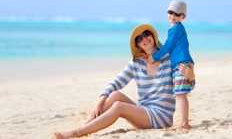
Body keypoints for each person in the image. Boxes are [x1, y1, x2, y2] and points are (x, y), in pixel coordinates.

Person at [53, 24, 194, 139]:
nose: (144, 39)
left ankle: (76, 133)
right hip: (144, 111)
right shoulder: (137, 63)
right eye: (139, 39)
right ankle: (86, 125)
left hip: (161, 116)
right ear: (138, 45)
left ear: (153, 36)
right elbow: (117, 81)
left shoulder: (168, 58)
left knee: (119, 106)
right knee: (115, 95)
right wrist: (101, 99)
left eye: (146, 34)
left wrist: (190, 74)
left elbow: (185, 86)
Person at [149, 0, 195, 129]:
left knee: (181, 95)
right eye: (170, 12)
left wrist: (155, 56)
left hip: (182, 63)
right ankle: (184, 121)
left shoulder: (176, 29)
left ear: (183, 17)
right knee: (180, 94)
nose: (172, 16)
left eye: (176, 14)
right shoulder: (176, 29)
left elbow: (168, 46)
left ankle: (184, 123)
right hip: (180, 63)